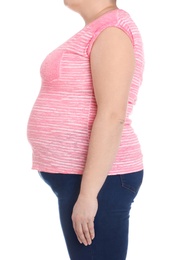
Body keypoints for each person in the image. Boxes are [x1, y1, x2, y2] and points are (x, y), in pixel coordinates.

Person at [27, 0, 144, 259]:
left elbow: (113, 115)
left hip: (101, 180)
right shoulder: (99, 28)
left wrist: (89, 195)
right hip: (85, 178)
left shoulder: (112, 30)